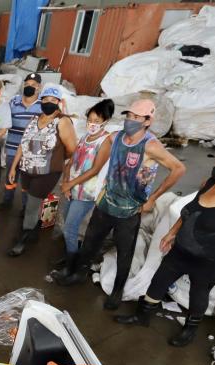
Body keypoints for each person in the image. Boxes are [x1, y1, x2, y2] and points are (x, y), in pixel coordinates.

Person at [114, 142, 215, 346]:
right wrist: (172, 232)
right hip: (182, 249)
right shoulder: (211, 182)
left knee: (199, 293)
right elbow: (191, 210)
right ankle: (142, 317)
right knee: (159, 281)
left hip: (211, 258)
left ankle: (190, 330)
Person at [56, 99, 187, 311]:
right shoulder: (115, 137)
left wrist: (152, 198)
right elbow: (100, 163)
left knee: (125, 253)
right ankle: (79, 274)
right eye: (129, 116)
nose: (130, 121)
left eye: (136, 117)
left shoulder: (150, 145)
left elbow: (178, 169)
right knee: (90, 243)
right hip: (106, 204)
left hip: (129, 210)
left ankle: (117, 292)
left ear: (147, 121)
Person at [7, 85, 78, 257]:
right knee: (31, 201)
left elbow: (72, 148)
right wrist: (14, 166)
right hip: (27, 169)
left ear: (59, 102)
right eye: (45, 100)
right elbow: (23, 144)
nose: (48, 103)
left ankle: (23, 239)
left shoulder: (62, 121)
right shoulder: (34, 119)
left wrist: (56, 158)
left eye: (52, 100)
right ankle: (33, 230)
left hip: (47, 172)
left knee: (31, 205)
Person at [51, 99, 115, 278]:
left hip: (86, 192)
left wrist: (70, 183)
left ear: (105, 121)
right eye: (90, 120)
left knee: (70, 228)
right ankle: (72, 255)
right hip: (71, 188)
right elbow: (72, 159)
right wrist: (65, 179)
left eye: (96, 121)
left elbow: (95, 169)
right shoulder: (85, 137)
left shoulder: (105, 142)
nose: (92, 124)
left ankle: (71, 267)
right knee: (66, 222)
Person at [0, 72, 43, 211]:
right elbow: (3, 119)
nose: (29, 87)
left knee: (26, 180)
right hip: (12, 146)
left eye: (33, 85)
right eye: (27, 84)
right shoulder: (14, 101)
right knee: (10, 176)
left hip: (31, 150)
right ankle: (7, 200)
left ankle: (25, 206)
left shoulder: (43, 105)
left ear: (39, 87)